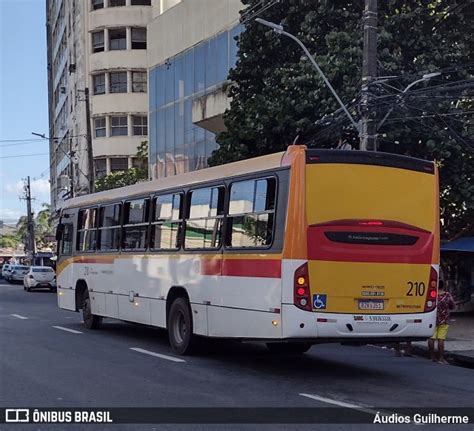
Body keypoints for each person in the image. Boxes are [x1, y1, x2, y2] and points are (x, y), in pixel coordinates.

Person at [428, 281, 455, 364]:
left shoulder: (432, 294)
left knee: (431, 338)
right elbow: (452, 306)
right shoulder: (447, 295)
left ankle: (432, 357)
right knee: (441, 339)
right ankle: (441, 358)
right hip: (444, 319)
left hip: (432, 318)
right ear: (443, 286)